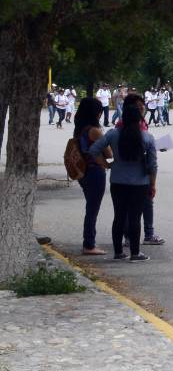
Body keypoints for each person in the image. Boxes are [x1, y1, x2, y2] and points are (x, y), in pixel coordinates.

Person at [88, 94, 156, 262]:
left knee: (119, 216)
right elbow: (153, 165)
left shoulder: (113, 134)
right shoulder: (147, 137)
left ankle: (118, 252)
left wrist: (107, 164)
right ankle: (135, 253)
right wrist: (152, 184)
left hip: (118, 181)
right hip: (140, 182)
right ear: (140, 119)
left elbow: (94, 150)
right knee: (135, 217)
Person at [74, 97, 110, 256]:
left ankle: (89, 242)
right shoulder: (94, 131)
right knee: (92, 209)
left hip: (83, 171)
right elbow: (108, 153)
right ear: (96, 113)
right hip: (95, 171)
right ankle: (89, 244)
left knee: (91, 207)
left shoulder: (80, 128)